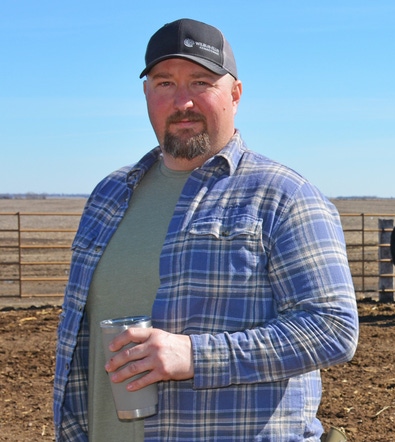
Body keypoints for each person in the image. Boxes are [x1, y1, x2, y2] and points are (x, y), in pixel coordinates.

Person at [53, 18, 359, 441]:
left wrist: (195, 356)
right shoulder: (109, 195)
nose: (183, 102)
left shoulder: (284, 196)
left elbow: (333, 328)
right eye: (164, 83)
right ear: (146, 93)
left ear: (235, 94)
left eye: (201, 82)